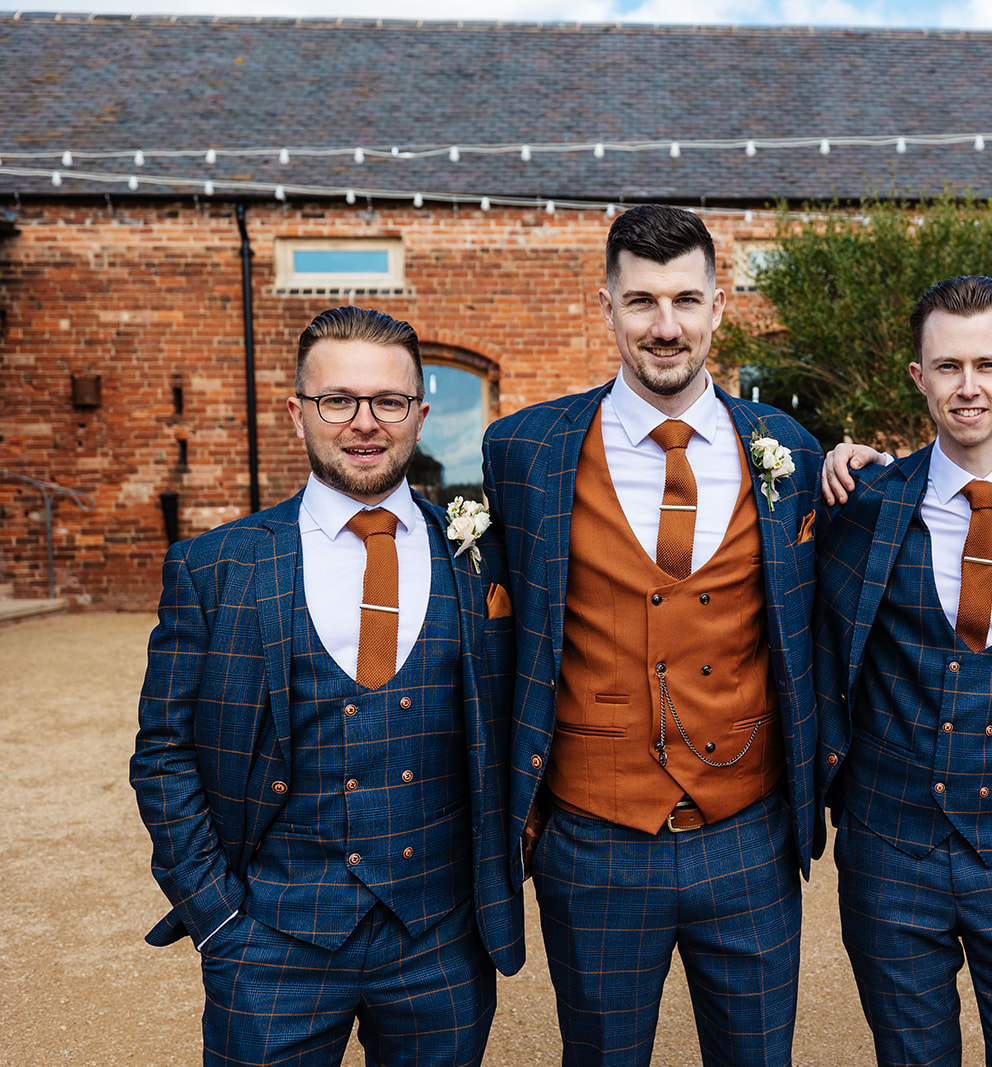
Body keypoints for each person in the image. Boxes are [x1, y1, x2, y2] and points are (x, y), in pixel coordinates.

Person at [130, 306, 524, 1065]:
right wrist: (216, 917)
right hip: (270, 943)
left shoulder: (482, 558)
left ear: (420, 413)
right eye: (337, 400)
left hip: (439, 941)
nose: (364, 423)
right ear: (297, 412)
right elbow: (164, 754)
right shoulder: (216, 567)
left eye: (389, 401)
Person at [481, 204, 821, 1065]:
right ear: (606, 308)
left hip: (747, 834)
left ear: (718, 305)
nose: (664, 327)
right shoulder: (523, 451)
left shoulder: (787, 449)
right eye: (641, 302)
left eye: (684, 300)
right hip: (593, 840)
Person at [813, 276, 992, 1066]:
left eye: (984, 364)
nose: (966, 386)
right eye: (946, 366)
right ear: (918, 377)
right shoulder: (857, 500)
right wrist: (835, 456)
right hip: (888, 850)